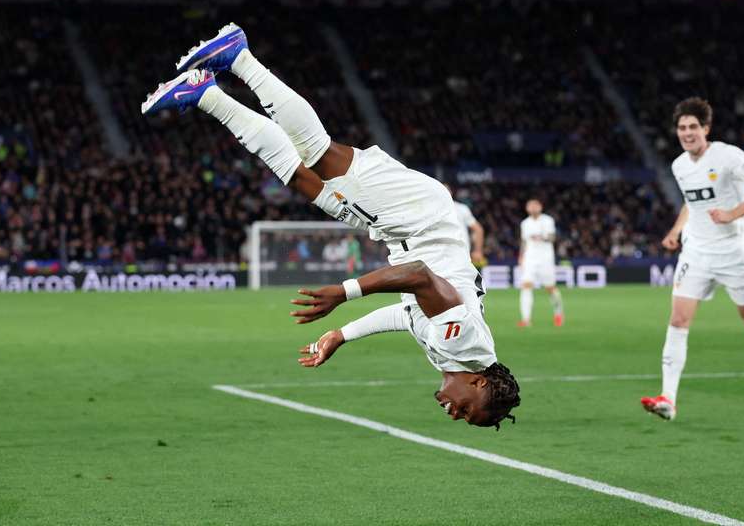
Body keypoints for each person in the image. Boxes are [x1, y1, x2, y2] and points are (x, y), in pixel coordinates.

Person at [141, 23, 519, 428]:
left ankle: (206, 94)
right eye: (468, 411)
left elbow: (408, 314)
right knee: (320, 155)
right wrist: (344, 292)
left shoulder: (455, 354)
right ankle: (239, 57)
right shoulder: (465, 343)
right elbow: (418, 276)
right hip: (420, 218)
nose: (455, 413)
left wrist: (342, 334)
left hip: (402, 229)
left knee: (302, 178)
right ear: (479, 384)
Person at [640, 97, 744, 421]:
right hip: (696, 252)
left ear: (706, 128)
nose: (687, 133)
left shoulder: (729, 156)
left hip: (733, 252)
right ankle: (668, 399)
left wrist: (733, 213)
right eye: (681, 128)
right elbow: (692, 202)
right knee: (678, 321)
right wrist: (677, 230)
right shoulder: (679, 166)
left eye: (693, 127)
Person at [517, 198, 564, 328]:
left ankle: (558, 314)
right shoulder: (525, 223)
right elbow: (524, 241)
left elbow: (552, 237)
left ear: (540, 207)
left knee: (550, 288)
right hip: (530, 258)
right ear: (527, 208)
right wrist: (521, 256)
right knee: (526, 285)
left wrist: (541, 237)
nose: (532, 208)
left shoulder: (548, 220)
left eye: (535, 206)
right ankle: (526, 319)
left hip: (545, 258)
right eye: (530, 206)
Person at [446, 184, 486, 266]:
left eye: (447, 190)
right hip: (440, 256)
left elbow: (478, 229)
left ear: (451, 192)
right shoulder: (432, 210)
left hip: (461, 255)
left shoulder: (461, 208)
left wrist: (478, 251)